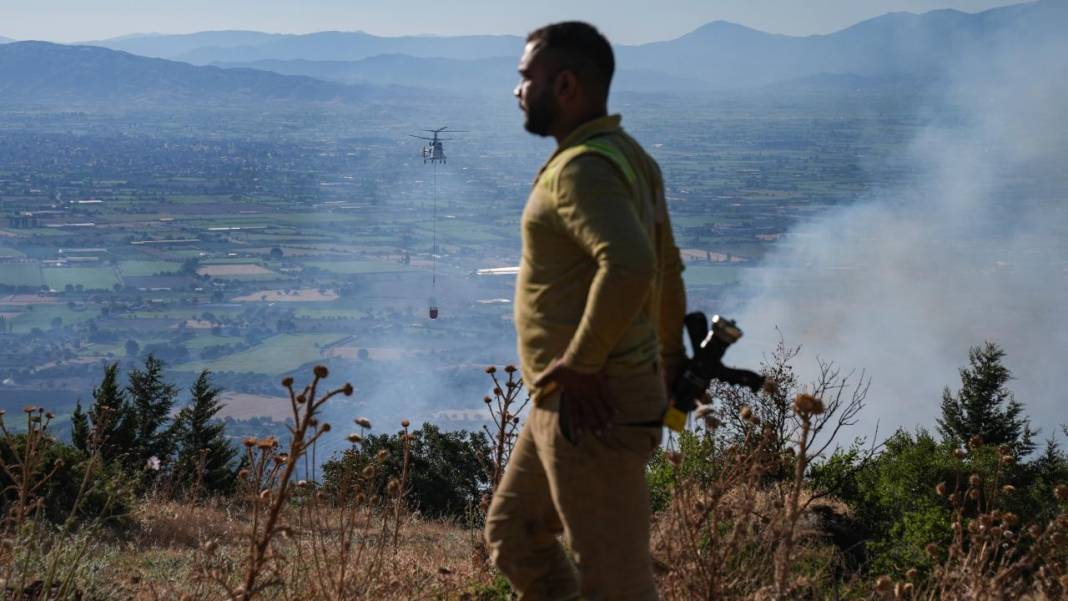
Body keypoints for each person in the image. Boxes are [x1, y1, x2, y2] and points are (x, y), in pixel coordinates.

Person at [484, 21, 686, 601]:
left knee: (614, 582)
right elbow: (666, 267)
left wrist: (582, 360)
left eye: (527, 77)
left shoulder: (582, 169)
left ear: (565, 84)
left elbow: (631, 266)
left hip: (592, 404)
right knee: (515, 535)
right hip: (572, 397)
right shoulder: (625, 156)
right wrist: (669, 361)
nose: (518, 90)